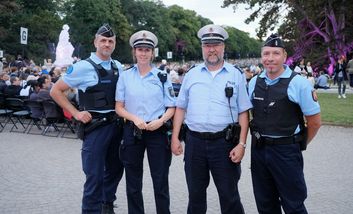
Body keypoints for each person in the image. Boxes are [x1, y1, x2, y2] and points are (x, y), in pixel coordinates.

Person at [171, 24, 252, 214]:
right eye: (207, 45)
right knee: (195, 197)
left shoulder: (236, 74)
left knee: (229, 196)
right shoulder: (191, 75)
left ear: (223, 47)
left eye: (216, 44)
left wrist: (241, 144)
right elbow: (180, 107)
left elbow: (243, 112)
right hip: (195, 143)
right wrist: (175, 137)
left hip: (224, 144)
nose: (212, 49)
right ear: (202, 48)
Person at [50, 24, 124, 214]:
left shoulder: (119, 67)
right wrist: (75, 113)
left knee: (116, 170)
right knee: (94, 175)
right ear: (95, 42)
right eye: (103, 40)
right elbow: (55, 91)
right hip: (96, 128)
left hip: (117, 127)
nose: (107, 44)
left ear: (114, 44)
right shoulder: (82, 67)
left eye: (110, 41)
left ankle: (107, 205)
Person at [248, 34, 321, 214]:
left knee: (293, 204)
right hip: (259, 150)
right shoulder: (254, 82)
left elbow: (315, 122)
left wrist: (298, 144)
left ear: (284, 56)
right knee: (265, 204)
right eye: (266, 54)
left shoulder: (299, 83)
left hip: (286, 152)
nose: (270, 58)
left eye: (275, 53)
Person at [115, 30, 175, 214]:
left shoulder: (162, 77)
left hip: (156, 131)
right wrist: (134, 118)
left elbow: (172, 107)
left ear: (152, 52)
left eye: (147, 50)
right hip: (133, 131)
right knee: (133, 182)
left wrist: (161, 120)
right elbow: (119, 107)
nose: (143, 53)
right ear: (134, 51)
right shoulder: (125, 76)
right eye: (139, 49)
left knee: (160, 180)